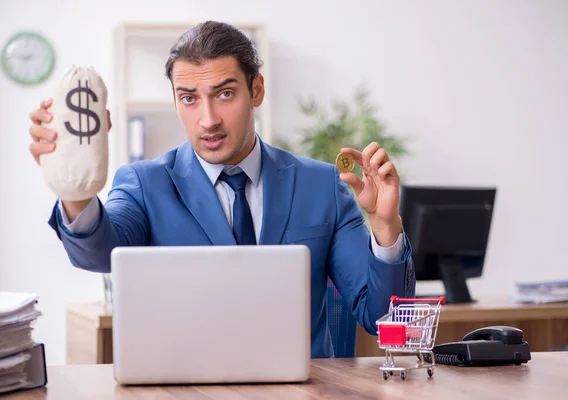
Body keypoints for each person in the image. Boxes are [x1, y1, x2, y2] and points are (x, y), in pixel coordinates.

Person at [28, 21, 415, 358]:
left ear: (257, 91)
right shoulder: (144, 184)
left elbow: (384, 320)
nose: (207, 120)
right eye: (189, 99)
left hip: (302, 391)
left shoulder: (321, 186)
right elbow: (98, 254)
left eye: (225, 94)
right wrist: (74, 183)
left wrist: (385, 227)